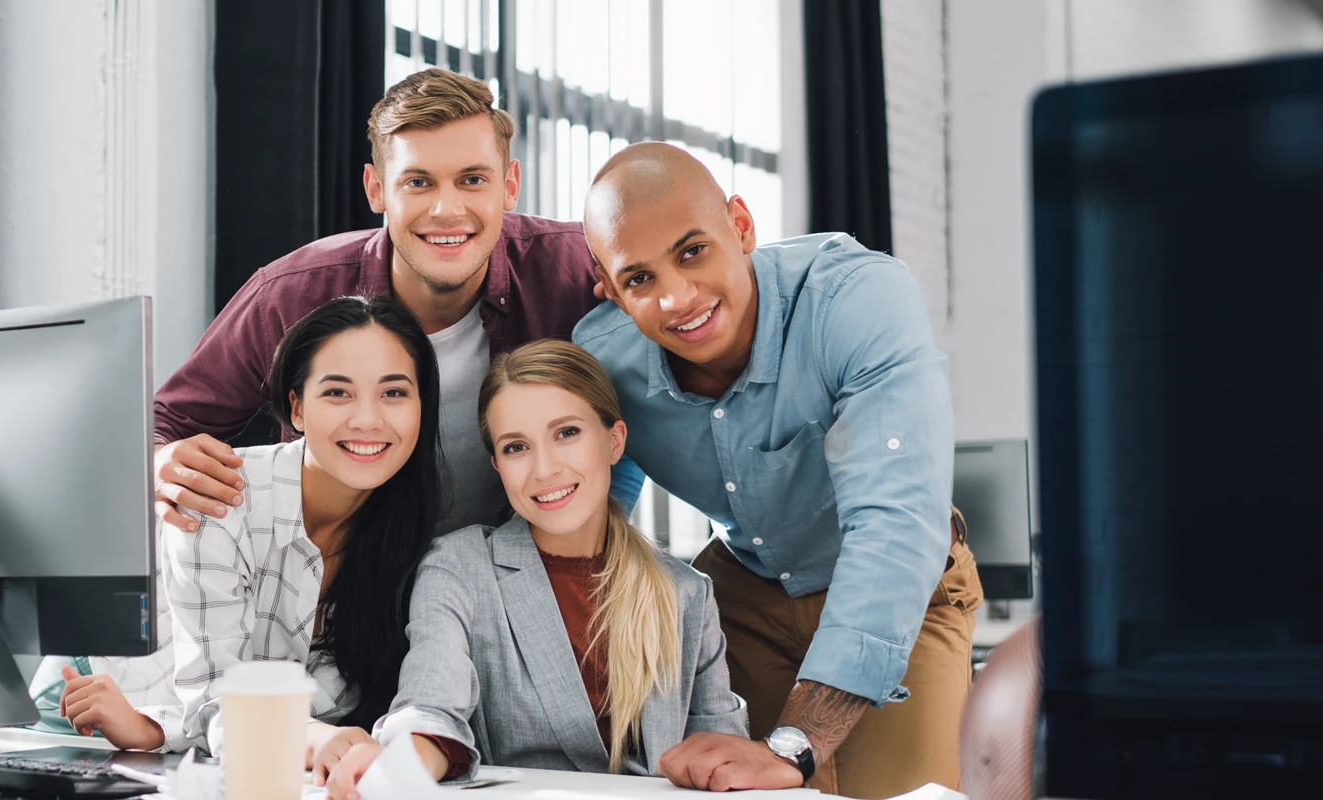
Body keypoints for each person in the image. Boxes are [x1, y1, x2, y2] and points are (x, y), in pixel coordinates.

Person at [574, 142, 982, 797]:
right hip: (742, 597)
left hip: (906, 583)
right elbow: (593, 513)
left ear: (740, 226)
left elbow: (895, 526)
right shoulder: (602, 359)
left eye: (691, 251)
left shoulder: (856, 298)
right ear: (609, 288)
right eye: (639, 279)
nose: (677, 298)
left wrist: (796, 744)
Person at [316, 340, 798, 798]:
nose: (544, 469)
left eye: (566, 433)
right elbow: (430, 705)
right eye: (516, 447)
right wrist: (399, 768)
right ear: (497, 466)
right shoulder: (459, 567)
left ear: (614, 442)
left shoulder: (686, 592)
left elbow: (723, 752)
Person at [151, 68, 603, 539]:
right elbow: (165, 423)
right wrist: (163, 462)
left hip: (507, 580)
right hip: (340, 580)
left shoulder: (578, 267)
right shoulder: (291, 293)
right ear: (376, 189)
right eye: (418, 183)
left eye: (472, 179)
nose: (446, 210)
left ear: (510, 185)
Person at [53, 296, 442, 759]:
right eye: (337, 392)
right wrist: (313, 739)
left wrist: (159, 730)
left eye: (394, 393)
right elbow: (217, 699)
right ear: (296, 409)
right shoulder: (220, 498)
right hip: (89, 698)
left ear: (423, 406)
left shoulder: (410, 539)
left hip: (176, 739)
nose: (367, 420)